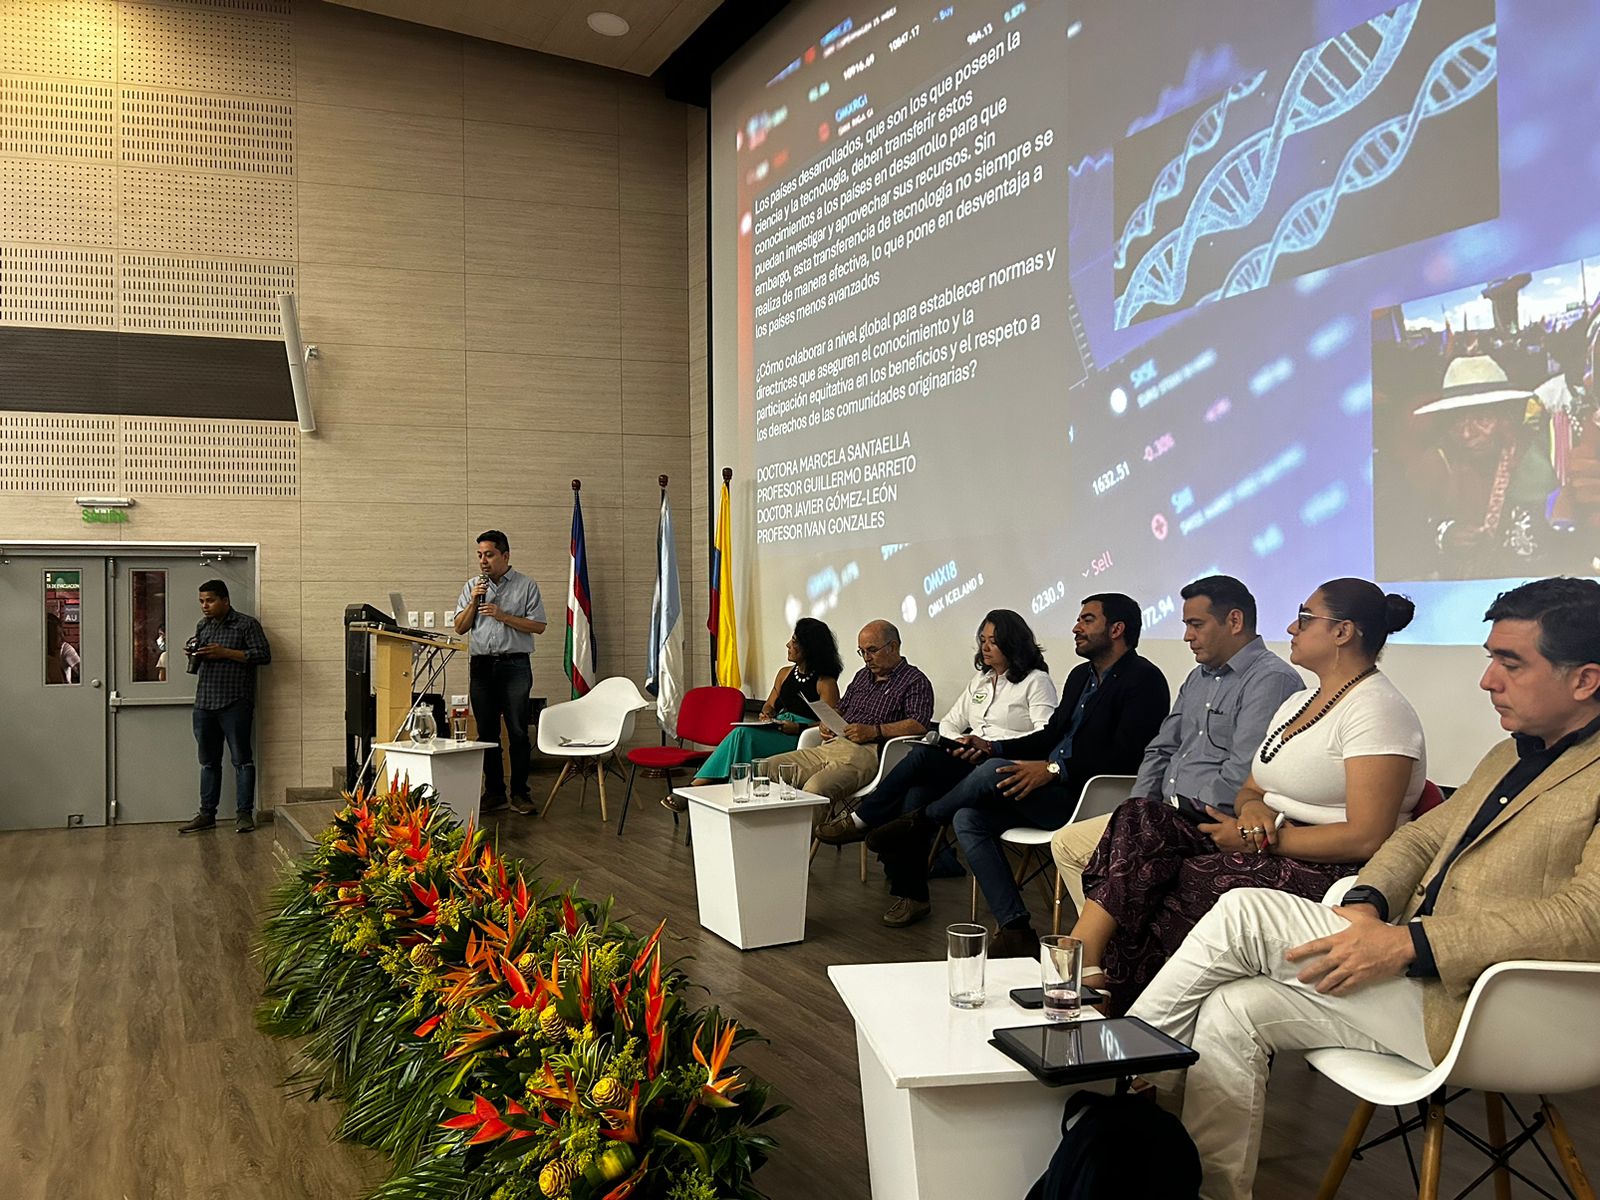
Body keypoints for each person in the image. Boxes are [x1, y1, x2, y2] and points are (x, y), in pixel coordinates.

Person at [1130, 576, 1600, 1200]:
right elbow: (1417, 841)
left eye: (1510, 664)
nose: (1488, 681)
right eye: (1491, 660)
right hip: (1426, 982)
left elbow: (1587, 917)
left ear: (1584, 680)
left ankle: (1118, 1079)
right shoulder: (1509, 756)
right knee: (1231, 1010)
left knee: (1243, 911)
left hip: (1505, 1009)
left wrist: (1408, 944)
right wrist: (1366, 904)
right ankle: (1209, 1190)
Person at [1075, 578, 1424, 1014]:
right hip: (1266, 839)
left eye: (1304, 619)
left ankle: (1128, 1012)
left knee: (1186, 877)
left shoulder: (1378, 710)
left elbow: (1368, 837)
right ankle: (1088, 962)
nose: (1291, 629)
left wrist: (1262, 840)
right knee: (1139, 815)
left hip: (1328, 866)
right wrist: (1254, 809)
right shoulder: (1301, 702)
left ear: (1343, 632)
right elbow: (1253, 787)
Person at [870, 594, 1170, 954]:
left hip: (1084, 797)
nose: (1076, 627)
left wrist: (1054, 769)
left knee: (991, 772)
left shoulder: (1144, 680)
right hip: (1048, 787)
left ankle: (922, 821)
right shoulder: (1081, 676)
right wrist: (993, 747)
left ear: (1117, 629)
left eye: (1087, 620)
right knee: (968, 817)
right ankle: (1015, 928)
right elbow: (1050, 735)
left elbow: (1128, 756)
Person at [1050, 576, 1304, 925]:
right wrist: (1137, 810)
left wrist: (1169, 817)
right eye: (1186, 625)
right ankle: (1120, 944)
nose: (1187, 636)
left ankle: (1107, 945)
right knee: (1067, 844)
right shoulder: (1198, 678)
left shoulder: (1270, 680)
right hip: (1162, 815)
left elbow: (1244, 772)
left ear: (1234, 621)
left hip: (1207, 822)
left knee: (1113, 856)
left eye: (1196, 625)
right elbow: (1161, 749)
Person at [814, 609, 1059, 926]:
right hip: (967, 760)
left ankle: (863, 820)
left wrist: (992, 744)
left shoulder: (1036, 682)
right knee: (915, 794)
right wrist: (965, 743)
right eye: (982, 640)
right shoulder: (981, 680)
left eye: (993, 641)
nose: (985, 647)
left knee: (919, 763)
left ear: (1014, 643)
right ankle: (913, 897)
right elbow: (949, 724)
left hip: (1004, 768)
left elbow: (1044, 736)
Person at [660, 617, 844, 810]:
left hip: (801, 738)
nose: (788, 645)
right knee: (741, 735)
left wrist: (798, 727)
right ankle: (716, 793)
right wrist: (767, 714)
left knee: (742, 735)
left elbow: (829, 724)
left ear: (809, 647)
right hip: (778, 727)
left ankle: (696, 788)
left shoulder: (825, 683)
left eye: (795, 641)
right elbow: (769, 705)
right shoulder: (784, 673)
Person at [759, 619, 934, 810]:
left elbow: (919, 724)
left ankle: (805, 831)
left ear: (893, 647)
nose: (867, 658)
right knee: (765, 768)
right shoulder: (862, 676)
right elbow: (840, 708)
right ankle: (770, 828)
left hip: (868, 753)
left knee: (814, 790)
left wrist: (874, 731)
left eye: (872, 650)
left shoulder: (914, 681)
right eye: (862, 652)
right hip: (832, 745)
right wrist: (827, 721)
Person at [1413, 354, 1558, 578]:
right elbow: (1407, 529)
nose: (1466, 434)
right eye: (1457, 421)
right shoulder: (1438, 462)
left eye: (1482, 419)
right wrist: (1446, 534)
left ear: (1506, 418)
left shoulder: (1543, 455)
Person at [452, 530, 547, 815]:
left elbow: (539, 625)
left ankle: (520, 793)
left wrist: (502, 615)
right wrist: (474, 602)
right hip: (481, 667)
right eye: (480, 555)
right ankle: (494, 793)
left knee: (517, 731)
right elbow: (460, 627)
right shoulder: (472, 586)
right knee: (486, 732)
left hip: (514, 665)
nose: (483, 561)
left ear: (505, 555)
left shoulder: (526, 585)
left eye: (489, 555)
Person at [177, 580, 272, 835]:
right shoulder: (203, 626)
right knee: (208, 762)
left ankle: (244, 814)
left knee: (241, 760)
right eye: (201, 601)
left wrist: (226, 652)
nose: (204, 606)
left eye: (210, 600)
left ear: (225, 600)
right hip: (205, 702)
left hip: (235, 701)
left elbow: (263, 655)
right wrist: (195, 654)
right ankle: (207, 814)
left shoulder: (246, 624)